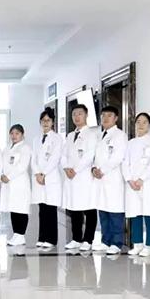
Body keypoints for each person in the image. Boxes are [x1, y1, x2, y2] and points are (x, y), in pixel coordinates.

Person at [91, 106, 127, 255]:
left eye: (109, 115)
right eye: (103, 115)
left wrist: (102, 170)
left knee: (115, 212)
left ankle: (117, 243)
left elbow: (118, 157)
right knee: (103, 211)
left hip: (113, 178)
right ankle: (105, 241)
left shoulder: (120, 135)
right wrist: (94, 168)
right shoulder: (100, 135)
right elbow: (95, 157)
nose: (105, 118)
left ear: (116, 118)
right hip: (100, 179)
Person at [61, 104, 98, 250]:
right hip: (71, 177)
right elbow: (63, 155)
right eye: (74, 114)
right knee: (74, 208)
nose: (77, 117)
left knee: (89, 208)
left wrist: (75, 170)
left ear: (86, 115)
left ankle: (88, 240)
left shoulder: (92, 134)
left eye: (80, 114)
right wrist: (66, 168)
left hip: (84, 176)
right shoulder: (70, 136)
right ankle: (76, 238)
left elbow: (89, 155)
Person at [124, 113, 150, 257]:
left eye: (144, 122)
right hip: (132, 183)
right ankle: (137, 243)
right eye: (138, 122)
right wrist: (129, 179)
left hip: (147, 182)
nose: (141, 125)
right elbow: (125, 162)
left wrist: (141, 179)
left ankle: (149, 245)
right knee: (135, 213)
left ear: (149, 125)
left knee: (148, 213)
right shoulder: (131, 143)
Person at [31, 108, 63, 249]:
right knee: (42, 209)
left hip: (50, 177)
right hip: (39, 178)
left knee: (50, 209)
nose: (45, 123)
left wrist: (44, 173)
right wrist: (37, 173)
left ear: (52, 122)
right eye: (43, 120)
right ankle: (42, 237)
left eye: (48, 120)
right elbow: (33, 159)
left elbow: (55, 158)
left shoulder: (57, 138)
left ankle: (51, 239)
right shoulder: (36, 139)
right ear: (40, 122)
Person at [0, 124, 32, 246]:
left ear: (22, 135)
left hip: (19, 183)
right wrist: (2, 175)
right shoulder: (7, 148)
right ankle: (16, 234)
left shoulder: (25, 148)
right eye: (12, 133)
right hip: (8, 183)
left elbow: (22, 166)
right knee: (13, 208)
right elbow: (1, 164)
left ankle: (21, 235)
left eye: (17, 133)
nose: (14, 136)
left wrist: (8, 176)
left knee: (21, 209)